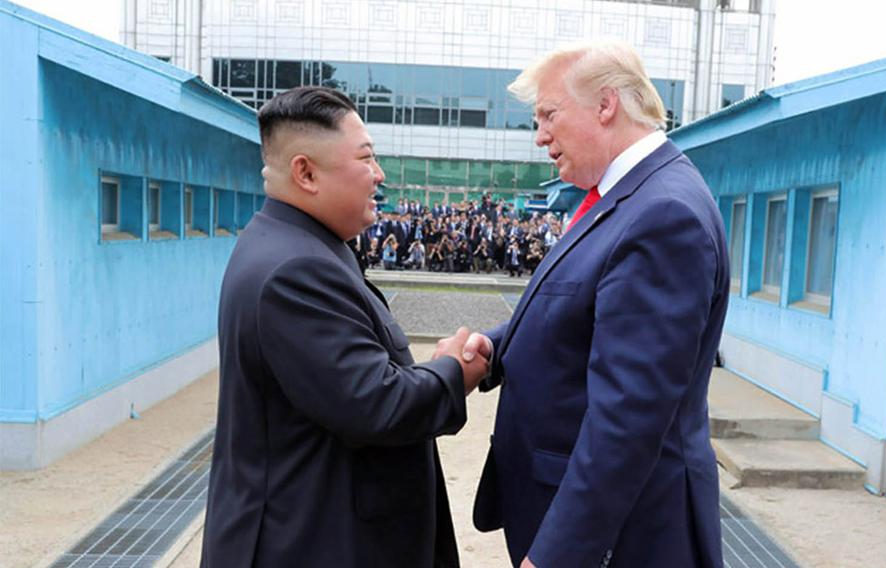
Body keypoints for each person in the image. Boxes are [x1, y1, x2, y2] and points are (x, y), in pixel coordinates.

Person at [452, 41, 729, 568]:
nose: (539, 137)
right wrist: (492, 345)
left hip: (626, 538)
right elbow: (575, 307)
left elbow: (627, 419)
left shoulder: (663, 213)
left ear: (605, 105)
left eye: (549, 114)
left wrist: (556, 556)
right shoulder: (625, 197)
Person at [200, 86, 489, 568]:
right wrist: (451, 373)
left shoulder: (294, 245)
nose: (379, 176)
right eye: (366, 158)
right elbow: (377, 405)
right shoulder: (294, 270)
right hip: (311, 543)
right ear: (306, 172)